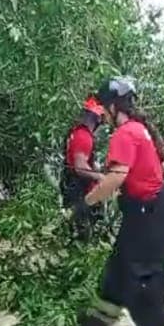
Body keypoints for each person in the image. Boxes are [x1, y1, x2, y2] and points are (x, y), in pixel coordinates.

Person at [75, 77, 164, 326]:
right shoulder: (139, 129)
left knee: (143, 283)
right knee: (119, 267)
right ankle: (98, 322)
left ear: (111, 106)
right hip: (148, 214)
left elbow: (115, 178)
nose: (103, 116)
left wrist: (88, 202)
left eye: (103, 108)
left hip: (149, 216)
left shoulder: (125, 134)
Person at [61, 95, 106, 240]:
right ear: (98, 117)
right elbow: (80, 167)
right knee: (82, 233)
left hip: (72, 186)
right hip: (79, 191)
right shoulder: (83, 136)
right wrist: (100, 177)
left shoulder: (77, 132)